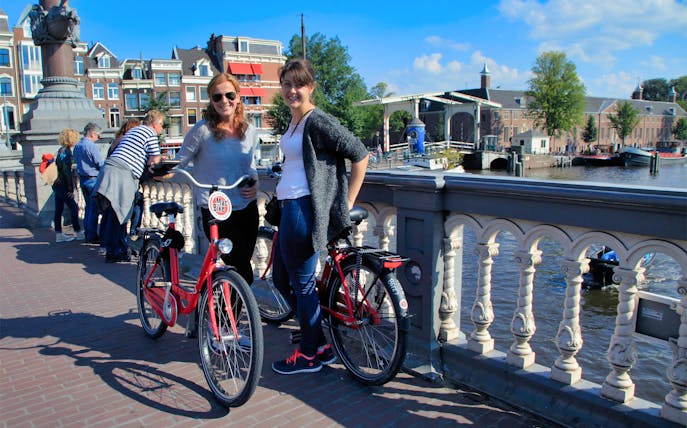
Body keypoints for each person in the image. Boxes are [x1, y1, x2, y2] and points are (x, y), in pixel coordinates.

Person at [271, 59, 369, 375]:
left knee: (301, 284)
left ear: (310, 87)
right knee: (282, 280)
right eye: (286, 83)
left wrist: (345, 203)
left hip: (303, 209)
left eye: (298, 84)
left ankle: (310, 353)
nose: (292, 90)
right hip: (288, 208)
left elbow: (360, 153)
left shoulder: (317, 121)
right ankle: (321, 343)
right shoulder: (294, 122)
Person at [175, 73, 259, 283]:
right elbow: (180, 161)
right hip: (217, 208)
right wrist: (160, 171)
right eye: (217, 97)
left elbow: (251, 166)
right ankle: (225, 313)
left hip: (246, 206)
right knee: (240, 271)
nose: (224, 101)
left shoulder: (250, 131)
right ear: (211, 101)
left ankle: (227, 312)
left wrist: (255, 182)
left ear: (238, 97)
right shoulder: (201, 130)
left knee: (242, 265)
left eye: (229, 95)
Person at [93, 110, 165, 263]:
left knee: (113, 214)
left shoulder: (134, 130)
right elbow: (155, 159)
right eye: (161, 125)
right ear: (155, 123)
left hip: (110, 170)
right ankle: (116, 251)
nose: (161, 130)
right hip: (122, 173)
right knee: (121, 214)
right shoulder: (149, 133)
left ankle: (114, 249)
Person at [73, 122, 104, 243]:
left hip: (83, 178)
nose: (98, 138)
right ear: (92, 133)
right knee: (94, 209)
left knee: (88, 208)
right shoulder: (90, 146)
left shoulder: (78, 145)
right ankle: (92, 235)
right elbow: (100, 164)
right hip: (93, 179)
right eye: (98, 135)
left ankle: (88, 233)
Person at [52, 128, 84, 243]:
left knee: (58, 209)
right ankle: (78, 231)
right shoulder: (66, 152)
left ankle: (58, 234)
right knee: (74, 208)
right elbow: (66, 172)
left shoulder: (60, 150)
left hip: (57, 184)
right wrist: (70, 188)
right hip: (63, 185)